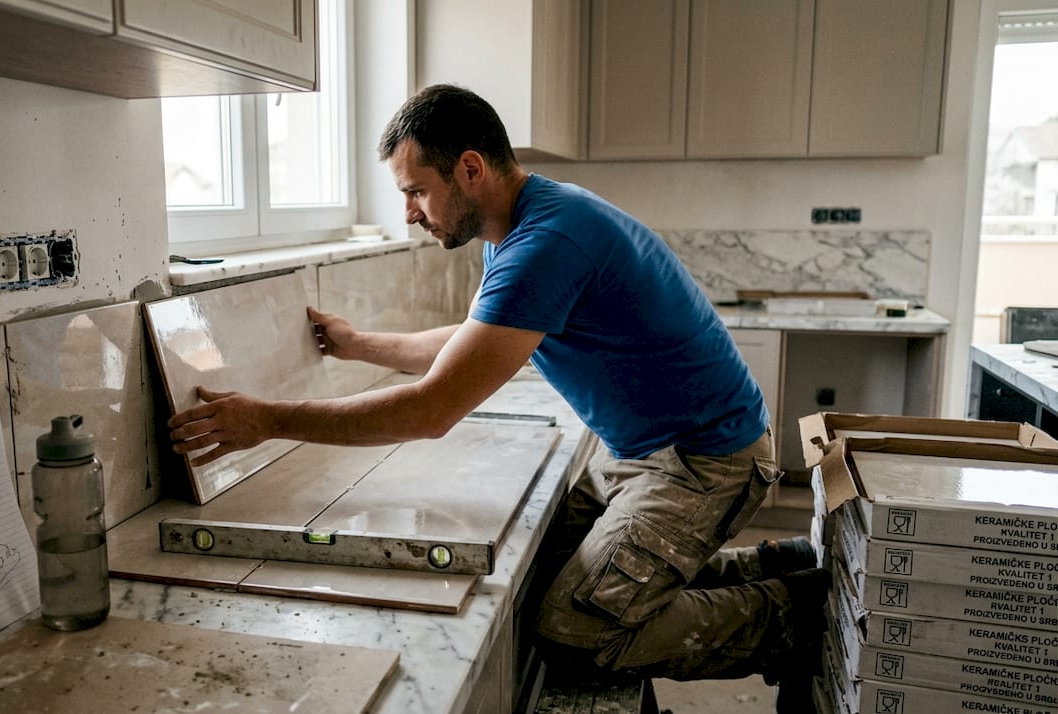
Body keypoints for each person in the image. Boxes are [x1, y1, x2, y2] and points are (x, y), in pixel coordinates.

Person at [167, 84, 830, 710]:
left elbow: (430, 411)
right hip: (650, 450)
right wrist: (358, 343)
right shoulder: (521, 226)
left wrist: (268, 419)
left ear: (471, 169)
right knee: (555, 576)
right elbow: (472, 342)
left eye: (417, 192)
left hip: (706, 460)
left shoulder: (544, 243)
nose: (409, 213)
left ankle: (797, 619)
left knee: (577, 628)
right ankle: (780, 564)